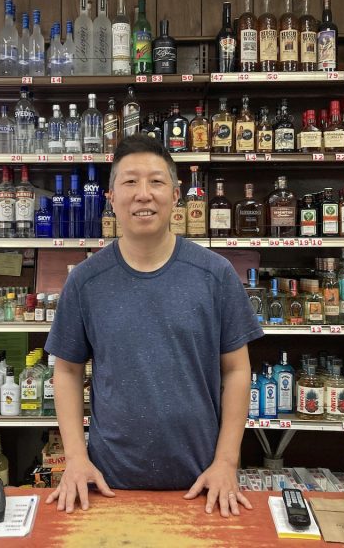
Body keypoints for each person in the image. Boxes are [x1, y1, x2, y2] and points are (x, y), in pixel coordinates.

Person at [45, 134, 263, 517]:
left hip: (202, 483)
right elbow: (65, 370)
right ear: (111, 199)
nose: (143, 194)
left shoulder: (215, 274)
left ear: (176, 196)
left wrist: (227, 462)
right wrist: (75, 458)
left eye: (156, 181)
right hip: (108, 482)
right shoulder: (85, 280)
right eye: (130, 182)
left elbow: (237, 369)